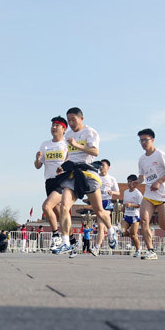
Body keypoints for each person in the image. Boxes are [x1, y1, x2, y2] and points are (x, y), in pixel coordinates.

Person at [52, 107, 116, 256]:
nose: (71, 123)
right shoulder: (68, 134)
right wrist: (63, 165)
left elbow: (95, 152)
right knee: (64, 206)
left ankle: (111, 230)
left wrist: (77, 145)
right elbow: (69, 154)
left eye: (73, 119)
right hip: (72, 174)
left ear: (81, 118)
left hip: (88, 173)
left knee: (99, 211)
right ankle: (66, 242)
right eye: (69, 120)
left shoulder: (90, 132)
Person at [136, 129, 165, 260]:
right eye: (141, 140)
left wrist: (159, 181)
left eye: (146, 140)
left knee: (164, 226)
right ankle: (150, 250)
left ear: (152, 140)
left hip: (164, 195)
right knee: (143, 220)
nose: (143, 143)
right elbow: (142, 176)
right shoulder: (142, 159)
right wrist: (137, 182)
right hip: (149, 195)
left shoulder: (161, 155)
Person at [34, 116, 68, 251]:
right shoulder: (45, 144)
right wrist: (37, 159)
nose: (54, 127)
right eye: (52, 125)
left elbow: (72, 160)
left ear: (64, 129)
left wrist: (64, 167)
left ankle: (56, 236)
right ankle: (70, 240)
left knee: (46, 206)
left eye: (57, 125)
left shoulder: (67, 144)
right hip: (49, 181)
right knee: (59, 213)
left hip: (62, 181)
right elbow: (38, 166)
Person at [94, 159, 121, 252]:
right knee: (101, 227)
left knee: (101, 225)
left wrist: (112, 192)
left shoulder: (111, 179)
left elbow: (118, 193)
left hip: (107, 202)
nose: (101, 167)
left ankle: (97, 247)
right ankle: (113, 228)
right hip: (98, 202)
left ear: (108, 167)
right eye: (100, 165)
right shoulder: (96, 177)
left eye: (103, 165)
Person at [122, 175, 144, 257]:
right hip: (127, 215)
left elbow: (140, 205)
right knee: (123, 232)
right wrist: (122, 209)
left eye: (130, 181)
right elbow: (124, 203)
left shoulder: (138, 193)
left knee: (133, 235)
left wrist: (131, 205)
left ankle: (138, 249)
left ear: (135, 183)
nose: (129, 183)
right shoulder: (125, 192)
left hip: (135, 216)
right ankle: (133, 236)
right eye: (128, 181)